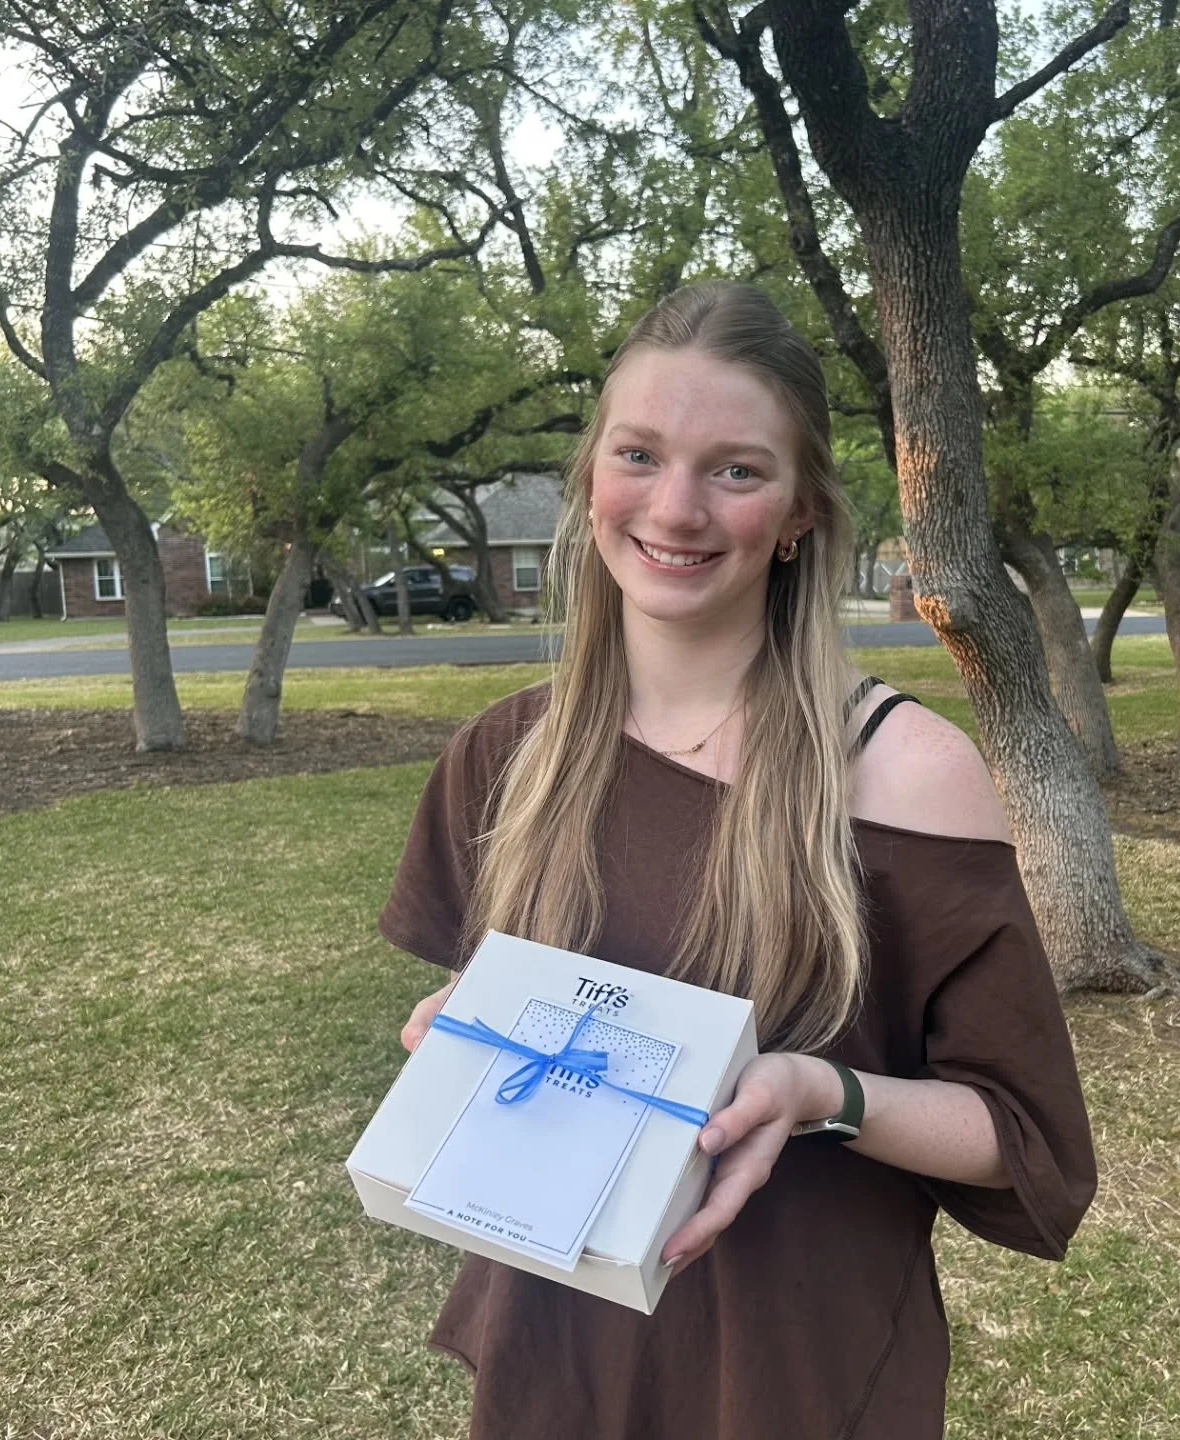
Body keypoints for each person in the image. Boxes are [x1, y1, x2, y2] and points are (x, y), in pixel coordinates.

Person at [378, 282, 1096, 1439]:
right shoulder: (509, 753)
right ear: (591, 480)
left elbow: (1024, 1138)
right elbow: (504, 1015)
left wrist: (824, 1091)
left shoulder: (908, 775)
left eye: (736, 469)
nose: (676, 507)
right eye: (640, 454)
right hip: (552, 1353)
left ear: (802, 510)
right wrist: (464, 1028)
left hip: (790, 1373)